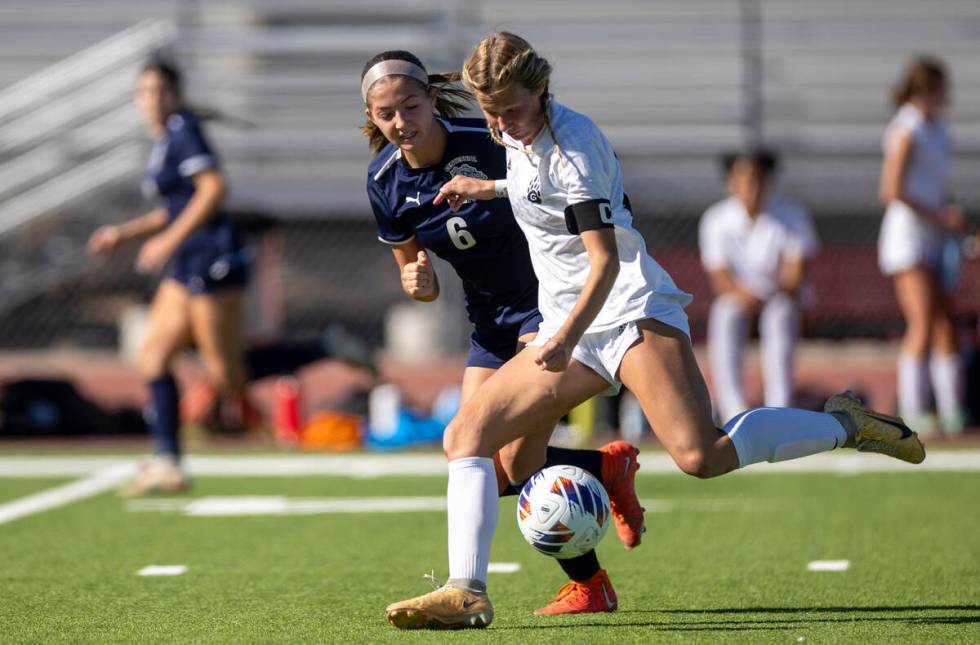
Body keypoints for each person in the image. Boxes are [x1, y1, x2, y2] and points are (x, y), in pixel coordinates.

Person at [384, 32, 926, 630]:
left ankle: (844, 423)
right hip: (574, 321)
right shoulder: (515, 132)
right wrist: (488, 186)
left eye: (510, 108)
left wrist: (562, 337)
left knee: (701, 454)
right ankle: (467, 591)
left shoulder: (575, 146)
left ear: (540, 88)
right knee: (467, 435)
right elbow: (541, 190)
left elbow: (605, 260)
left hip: (627, 309)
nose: (500, 123)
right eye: (489, 111)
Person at [361, 49, 645, 616]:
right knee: (488, 465)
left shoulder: (492, 139)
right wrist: (416, 282)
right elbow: (418, 280)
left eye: (410, 106)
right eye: (385, 114)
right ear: (371, 117)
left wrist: (567, 303)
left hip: (546, 306)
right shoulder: (384, 182)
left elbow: (580, 196)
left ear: (432, 100)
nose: (400, 122)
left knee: (501, 457)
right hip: (490, 325)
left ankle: (476, 590)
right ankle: (601, 478)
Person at [88, 58, 251, 495]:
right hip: (187, 262)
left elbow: (214, 189)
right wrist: (126, 233)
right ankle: (168, 463)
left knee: (229, 376)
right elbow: (175, 207)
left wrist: (167, 241)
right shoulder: (163, 140)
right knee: (154, 357)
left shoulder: (182, 129)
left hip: (211, 257)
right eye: (144, 91)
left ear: (175, 95)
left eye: (160, 90)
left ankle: (322, 348)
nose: (152, 99)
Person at [878, 55, 966, 435]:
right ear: (927, 89)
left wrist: (947, 219)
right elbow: (891, 190)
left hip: (935, 238)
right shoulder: (906, 128)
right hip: (908, 240)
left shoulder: (938, 129)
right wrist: (938, 215)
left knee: (947, 323)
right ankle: (913, 411)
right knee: (923, 321)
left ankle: (952, 411)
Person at [699, 149, 819, 422]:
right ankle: (732, 408)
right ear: (730, 182)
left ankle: (779, 408)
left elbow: (795, 275)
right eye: (741, 179)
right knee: (725, 313)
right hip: (741, 300)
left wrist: (767, 295)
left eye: (756, 180)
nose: (749, 188)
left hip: (779, 298)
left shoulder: (792, 215)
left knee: (780, 313)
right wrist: (746, 296)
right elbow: (720, 279)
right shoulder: (715, 219)